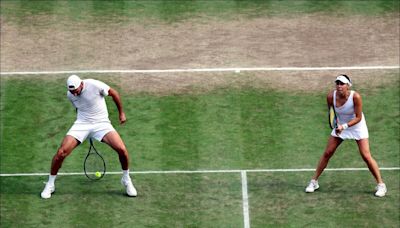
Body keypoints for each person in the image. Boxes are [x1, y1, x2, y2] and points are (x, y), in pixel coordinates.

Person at [41, 75, 137, 199]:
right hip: (82, 124)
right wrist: (86, 132)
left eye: (76, 91)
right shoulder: (70, 95)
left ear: (81, 84)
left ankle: (126, 179)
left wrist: (121, 113)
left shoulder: (95, 85)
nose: (74, 94)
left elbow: (114, 93)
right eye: (72, 92)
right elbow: (80, 108)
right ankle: (50, 184)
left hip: (102, 124)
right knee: (61, 153)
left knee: (122, 150)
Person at [305, 74, 387, 197]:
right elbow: (332, 114)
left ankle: (381, 185)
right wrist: (337, 125)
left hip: (357, 126)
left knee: (366, 155)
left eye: (342, 83)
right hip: (341, 126)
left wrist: (344, 126)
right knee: (328, 153)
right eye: (337, 83)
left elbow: (358, 117)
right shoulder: (330, 97)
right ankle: (314, 182)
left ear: (348, 86)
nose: (339, 86)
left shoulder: (356, 97)